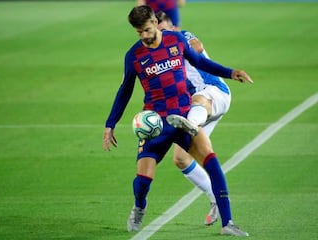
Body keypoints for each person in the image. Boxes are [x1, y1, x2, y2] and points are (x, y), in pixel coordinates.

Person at [103, 5, 252, 236]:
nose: (144, 36)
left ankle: (228, 222)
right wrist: (110, 125)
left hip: (183, 117)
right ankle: (140, 206)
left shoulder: (176, 40)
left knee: (212, 162)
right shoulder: (134, 56)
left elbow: (201, 62)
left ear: (154, 21)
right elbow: (124, 91)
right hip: (157, 125)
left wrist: (231, 72)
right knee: (143, 180)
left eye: (146, 30)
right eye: (139, 32)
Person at [156, 11, 251, 226]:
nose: (161, 34)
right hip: (197, 108)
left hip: (214, 93)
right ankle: (214, 198)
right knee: (180, 159)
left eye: (164, 29)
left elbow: (197, 47)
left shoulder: (183, 36)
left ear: (172, 27)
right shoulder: (158, 56)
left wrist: (177, 51)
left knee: (199, 99)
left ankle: (192, 124)